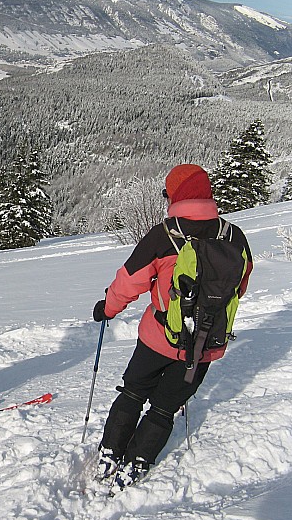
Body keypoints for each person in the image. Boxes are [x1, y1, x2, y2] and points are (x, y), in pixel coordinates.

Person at [92, 164, 253, 490]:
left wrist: (107, 308)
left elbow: (129, 282)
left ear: (175, 195)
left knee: (133, 392)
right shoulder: (235, 238)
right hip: (204, 346)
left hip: (157, 339)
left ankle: (110, 454)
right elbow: (239, 286)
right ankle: (136, 464)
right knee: (164, 409)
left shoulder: (165, 235)